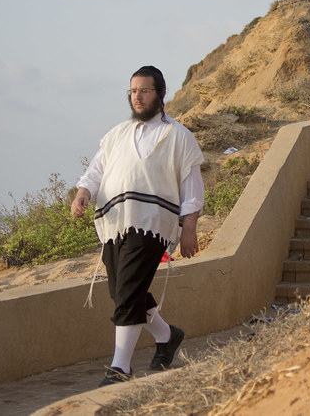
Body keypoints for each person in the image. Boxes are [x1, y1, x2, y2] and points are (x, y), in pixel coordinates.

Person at [71, 65, 204, 386]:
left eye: (144, 90)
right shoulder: (117, 134)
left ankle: (120, 368)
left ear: (161, 93)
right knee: (122, 291)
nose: (137, 97)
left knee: (129, 291)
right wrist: (83, 193)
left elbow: (192, 189)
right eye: (133, 91)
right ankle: (166, 335)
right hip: (114, 224)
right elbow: (95, 171)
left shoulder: (179, 136)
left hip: (153, 225)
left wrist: (189, 229)